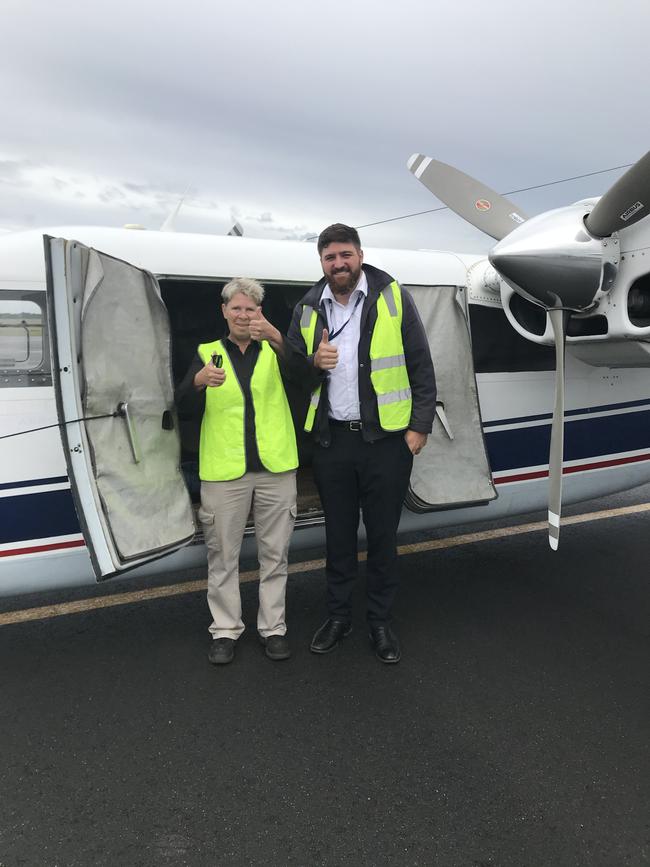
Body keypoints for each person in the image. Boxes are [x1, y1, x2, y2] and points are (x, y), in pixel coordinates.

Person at [287, 224, 436, 663]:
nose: (339, 263)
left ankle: (380, 622)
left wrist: (418, 429)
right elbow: (292, 374)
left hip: (387, 443)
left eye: (345, 255)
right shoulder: (308, 308)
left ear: (360, 255)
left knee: (383, 537)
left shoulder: (392, 297)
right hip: (333, 443)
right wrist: (313, 363)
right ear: (321, 262)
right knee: (337, 537)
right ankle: (338, 617)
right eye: (330, 257)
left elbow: (421, 364)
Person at [176, 277, 307, 665]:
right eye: (236, 308)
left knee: (275, 554)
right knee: (222, 557)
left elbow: (308, 379)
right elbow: (181, 404)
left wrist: (280, 339)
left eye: (251, 308)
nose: (243, 315)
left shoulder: (276, 349)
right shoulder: (206, 353)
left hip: (276, 468)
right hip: (223, 472)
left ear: (260, 313)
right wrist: (197, 383)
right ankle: (225, 630)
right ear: (224, 311)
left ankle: (274, 628)